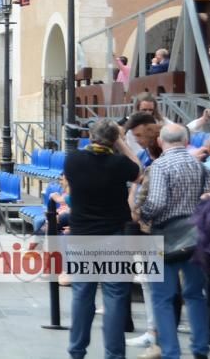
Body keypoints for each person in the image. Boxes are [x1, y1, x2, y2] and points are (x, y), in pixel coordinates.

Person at [63, 118, 141, 359]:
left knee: (82, 293)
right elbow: (139, 171)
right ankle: (114, 354)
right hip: (113, 236)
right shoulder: (118, 163)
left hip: (82, 235)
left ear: (90, 135)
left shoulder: (73, 160)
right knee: (115, 295)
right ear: (113, 139)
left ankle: (77, 350)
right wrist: (121, 141)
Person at [136, 123, 210, 359]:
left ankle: (171, 351)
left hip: (163, 235)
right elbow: (209, 203)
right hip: (195, 237)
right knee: (194, 294)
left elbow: (157, 202)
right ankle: (200, 347)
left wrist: (143, 214)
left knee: (163, 297)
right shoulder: (201, 167)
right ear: (186, 140)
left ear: (161, 141)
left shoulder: (160, 166)